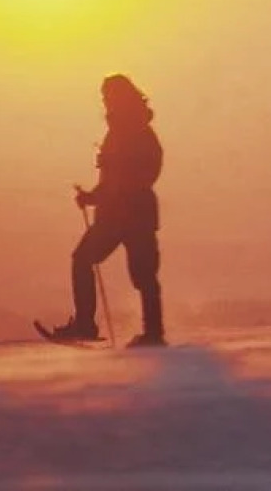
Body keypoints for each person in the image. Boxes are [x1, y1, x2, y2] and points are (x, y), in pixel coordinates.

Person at [47, 73, 167, 346]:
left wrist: (101, 196)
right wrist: (93, 197)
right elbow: (118, 178)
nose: (105, 102)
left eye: (108, 96)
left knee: (140, 274)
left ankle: (149, 333)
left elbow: (141, 174)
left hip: (129, 216)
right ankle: (142, 331)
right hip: (124, 215)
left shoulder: (135, 133)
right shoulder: (127, 132)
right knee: (94, 262)